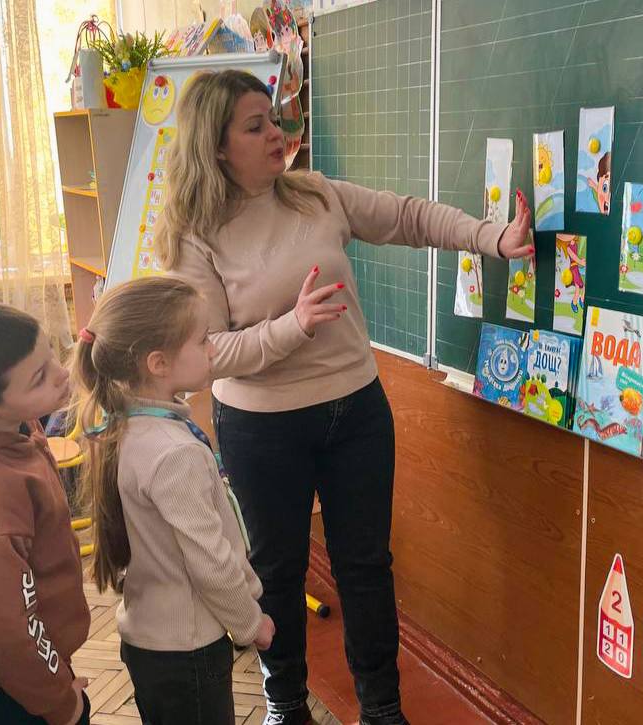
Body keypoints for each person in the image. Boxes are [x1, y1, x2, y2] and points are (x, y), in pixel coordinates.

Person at [154, 69, 534, 725]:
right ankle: (286, 705)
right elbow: (204, 355)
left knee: (366, 566)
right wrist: (291, 327)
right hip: (262, 428)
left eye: (275, 120)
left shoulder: (315, 193)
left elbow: (407, 217)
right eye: (255, 127)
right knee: (277, 571)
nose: (276, 134)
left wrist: (489, 237)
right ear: (216, 146)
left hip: (356, 412)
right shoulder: (196, 235)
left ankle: (382, 709)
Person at [73, 277, 275, 724]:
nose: (213, 349)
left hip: (153, 640)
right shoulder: (174, 452)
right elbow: (209, 560)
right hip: (188, 650)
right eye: (202, 340)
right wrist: (250, 623)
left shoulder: (128, 425)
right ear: (159, 363)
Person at [0, 301, 90, 725]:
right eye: (39, 376)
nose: (62, 374)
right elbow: (9, 632)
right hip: (12, 692)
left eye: (51, 355)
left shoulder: (17, 424)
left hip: (33, 672)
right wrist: (60, 701)